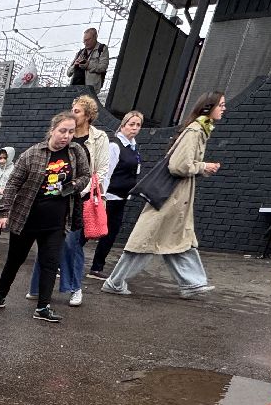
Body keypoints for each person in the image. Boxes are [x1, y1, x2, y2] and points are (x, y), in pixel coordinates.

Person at [100, 91, 224, 301]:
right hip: (171, 197)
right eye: (220, 105)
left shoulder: (199, 130)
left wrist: (201, 168)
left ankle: (192, 283)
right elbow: (178, 165)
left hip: (175, 198)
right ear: (208, 107)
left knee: (178, 240)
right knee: (148, 241)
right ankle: (115, 282)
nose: (223, 108)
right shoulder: (195, 131)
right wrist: (204, 166)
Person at [0, 110, 90, 323]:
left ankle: (43, 307)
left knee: (50, 263)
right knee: (14, 260)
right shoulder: (32, 154)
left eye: (71, 132)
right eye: (62, 131)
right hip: (27, 219)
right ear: (52, 130)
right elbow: (13, 183)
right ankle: (1, 296)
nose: (66, 136)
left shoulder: (76, 151)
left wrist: (72, 186)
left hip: (57, 221)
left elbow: (86, 175)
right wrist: (4, 213)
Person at [29, 93, 109, 307]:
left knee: (71, 244)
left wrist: (82, 189)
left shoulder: (99, 138)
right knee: (47, 240)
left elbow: (101, 170)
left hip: (80, 198)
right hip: (56, 196)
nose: (72, 114)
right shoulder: (65, 135)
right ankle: (37, 287)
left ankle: (74, 288)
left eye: (77, 111)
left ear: (88, 115)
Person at [88, 110, 143, 279]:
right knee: (89, 231)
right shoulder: (115, 145)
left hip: (121, 198)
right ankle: (63, 263)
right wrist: (101, 197)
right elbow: (106, 173)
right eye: (131, 124)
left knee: (111, 233)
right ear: (123, 125)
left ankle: (97, 267)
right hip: (109, 198)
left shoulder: (133, 147)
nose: (134, 128)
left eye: (138, 125)